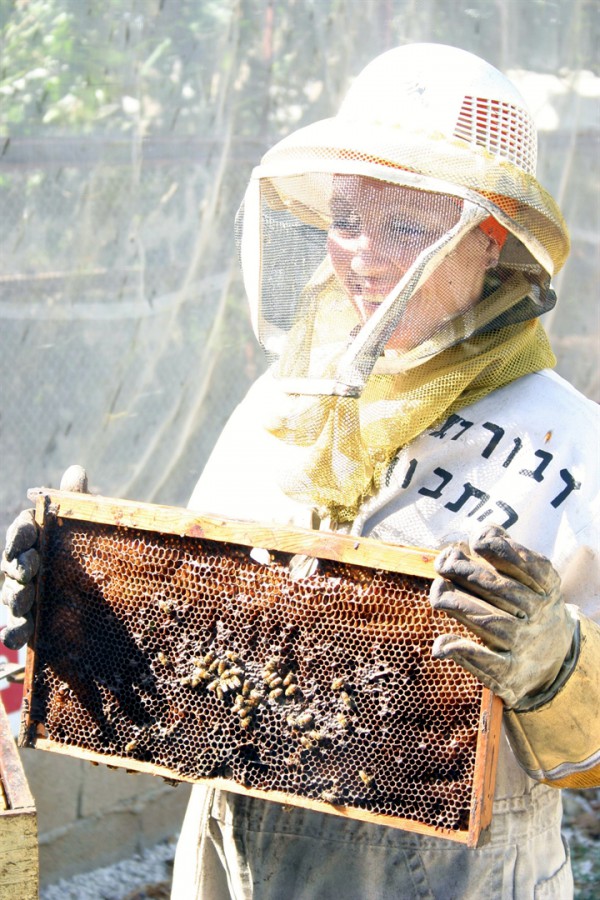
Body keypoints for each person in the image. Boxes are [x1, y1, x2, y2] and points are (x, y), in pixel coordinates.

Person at [2, 43, 599, 899]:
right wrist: (87, 605)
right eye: (348, 219)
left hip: (452, 879)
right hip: (233, 861)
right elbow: (198, 634)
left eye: (406, 225)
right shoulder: (284, 402)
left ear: (490, 237)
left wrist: (555, 664)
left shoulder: (574, 443)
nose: (362, 255)